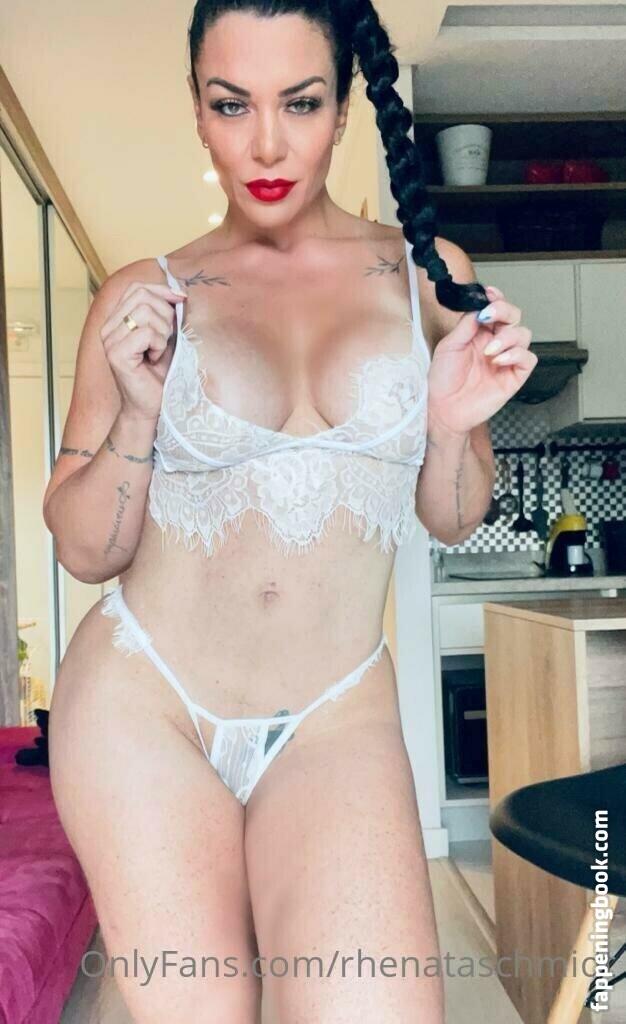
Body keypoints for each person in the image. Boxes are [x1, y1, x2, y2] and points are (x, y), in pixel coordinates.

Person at [44, 2, 536, 1021]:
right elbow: (87, 550)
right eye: (232, 105)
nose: (265, 145)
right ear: (195, 108)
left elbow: (452, 517)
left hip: (334, 715)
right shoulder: (144, 293)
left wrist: (451, 424)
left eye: (300, 103)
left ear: (344, 108)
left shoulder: (426, 278)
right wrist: (137, 411)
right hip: (145, 706)